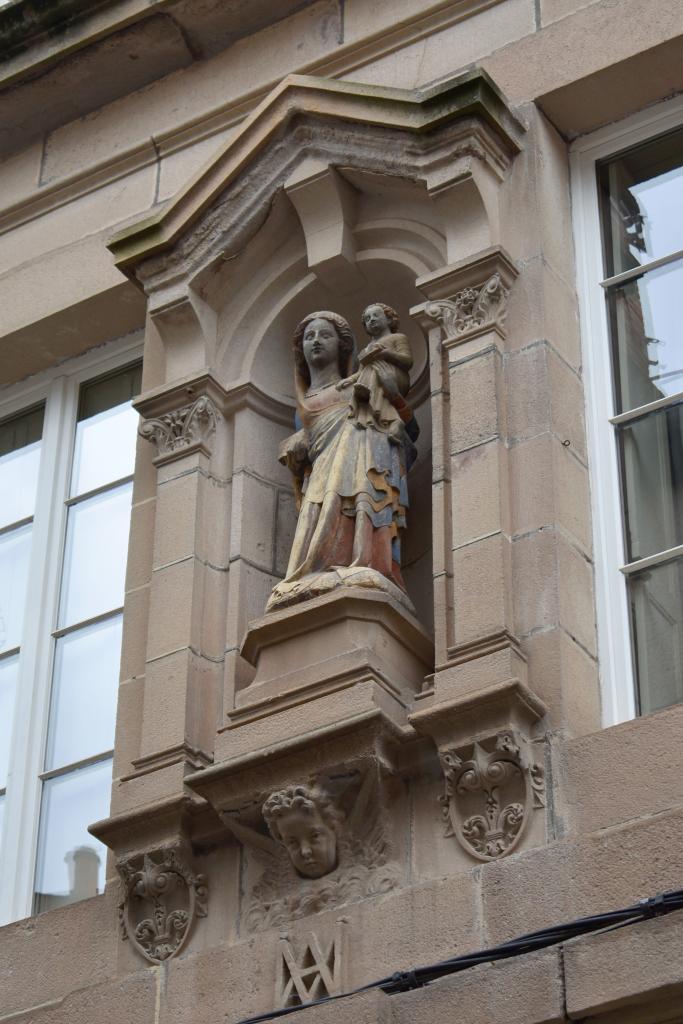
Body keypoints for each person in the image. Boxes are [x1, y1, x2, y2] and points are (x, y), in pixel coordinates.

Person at [268, 309, 417, 611]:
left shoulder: (359, 382)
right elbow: (306, 454)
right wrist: (297, 450)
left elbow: (407, 430)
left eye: (325, 335)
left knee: (366, 500)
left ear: (343, 346)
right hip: (322, 477)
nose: (316, 341)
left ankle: (367, 560)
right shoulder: (304, 405)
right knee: (319, 511)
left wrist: (393, 395)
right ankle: (313, 571)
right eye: (309, 337)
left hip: (364, 458)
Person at [340, 303, 414, 444]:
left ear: (389, 319)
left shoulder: (398, 337)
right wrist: (350, 380)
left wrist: (386, 354)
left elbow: (407, 361)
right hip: (371, 379)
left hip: (395, 377)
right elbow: (360, 372)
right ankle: (371, 416)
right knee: (369, 371)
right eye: (367, 319)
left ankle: (395, 420)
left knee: (374, 369)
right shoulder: (367, 347)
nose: (371, 320)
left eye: (376, 315)